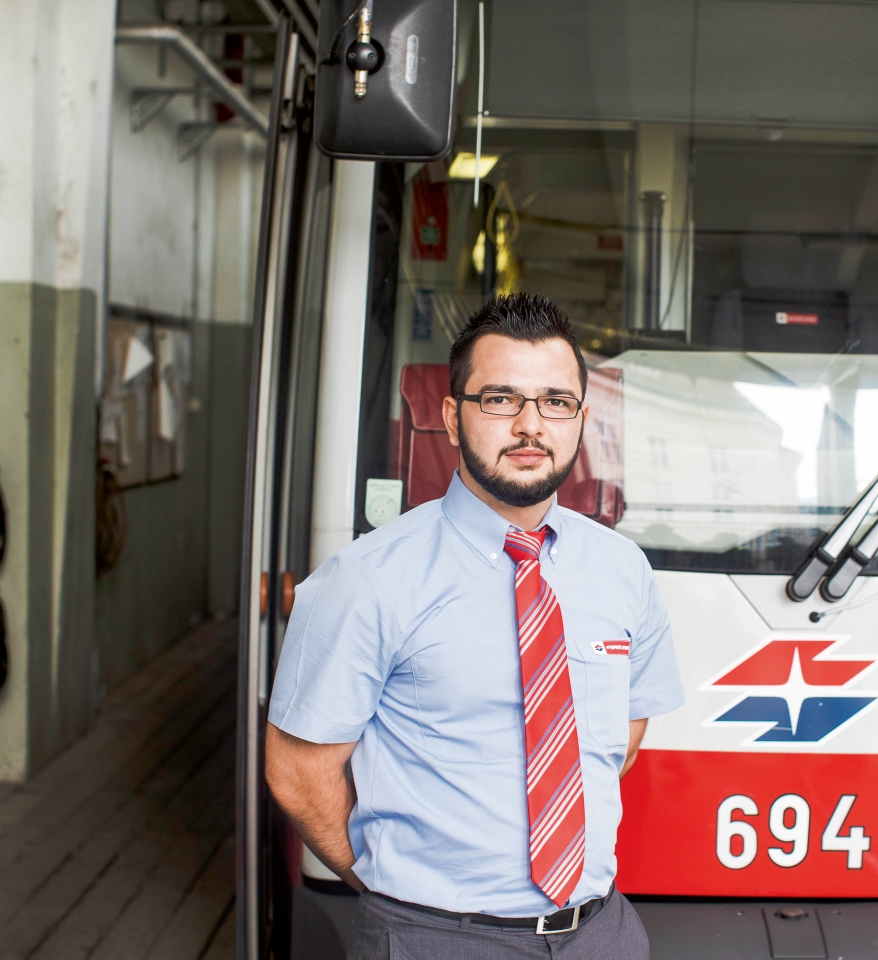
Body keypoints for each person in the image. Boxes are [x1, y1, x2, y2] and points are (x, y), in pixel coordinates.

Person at [264, 293, 685, 959]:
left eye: (555, 401)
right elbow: (296, 769)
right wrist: (385, 885)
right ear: (452, 418)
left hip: (600, 934)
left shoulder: (621, 568)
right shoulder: (367, 578)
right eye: (499, 399)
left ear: (581, 418)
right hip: (432, 937)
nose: (529, 424)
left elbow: (619, 739)